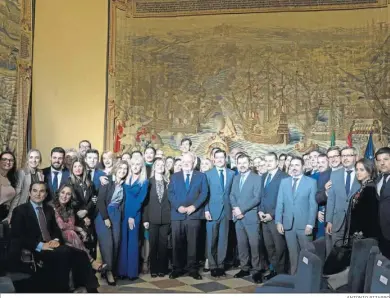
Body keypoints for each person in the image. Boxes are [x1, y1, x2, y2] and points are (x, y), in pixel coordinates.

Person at [10, 182, 99, 293]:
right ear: (29, 193)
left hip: (52, 246)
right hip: (36, 248)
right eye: (35, 191)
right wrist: (41, 245)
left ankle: (91, 290)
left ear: (46, 194)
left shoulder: (48, 209)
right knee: (65, 252)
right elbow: (17, 236)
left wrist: (56, 240)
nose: (38, 194)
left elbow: (56, 230)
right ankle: (63, 291)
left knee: (81, 254)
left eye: (42, 191)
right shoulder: (20, 210)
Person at [168, 152, 208, 280]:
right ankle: (177, 268)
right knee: (177, 243)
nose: (186, 163)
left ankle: (193, 269)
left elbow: (204, 193)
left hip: (193, 215)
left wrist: (194, 207)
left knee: (193, 243)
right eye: (184, 161)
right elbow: (170, 193)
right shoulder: (174, 176)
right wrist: (178, 207)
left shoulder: (201, 176)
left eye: (189, 161)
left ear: (194, 163)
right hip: (177, 214)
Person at [275, 156, 317, 274]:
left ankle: (307, 279)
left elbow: (313, 205)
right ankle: (295, 280)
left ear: (303, 167)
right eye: (292, 165)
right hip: (288, 225)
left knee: (307, 255)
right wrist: (278, 221)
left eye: (297, 165)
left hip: (304, 225)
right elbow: (280, 202)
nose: (294, 168)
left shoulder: (311, 182)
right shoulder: (284, 182)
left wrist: (310, 224)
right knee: (293, 256)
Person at [53, 184, 106, 271]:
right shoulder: (53, 206)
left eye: (68, 194)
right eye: (62, 192)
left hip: (67, 235)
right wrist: (79, 229)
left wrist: (78, 228)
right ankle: (91, 261)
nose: (64, 196)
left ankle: (84, 272)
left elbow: (71, 223)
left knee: (74, 238)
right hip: (55, 234)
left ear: (71, 196)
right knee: (71, 233)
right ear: (58, 193)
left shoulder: (69, 207)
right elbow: (61, 225)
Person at [230, 154, 264, 283]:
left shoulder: (256, 178)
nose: (242, 165)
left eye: (245, 162)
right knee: (242, 244)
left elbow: (257, 198)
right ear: (237, 164)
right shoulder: (236, 177)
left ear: (249, 163)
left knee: (254, 244)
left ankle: (257, 270)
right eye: (240, 163)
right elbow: (232, 195)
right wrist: (235, 208)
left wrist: (241, 209)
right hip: (238, 218)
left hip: (250, 216)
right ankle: (244, 267)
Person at [95, 160, 129, 286]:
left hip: (117, 214)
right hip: (104, 214)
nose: (123, 170)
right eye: (120, 168)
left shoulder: (124, 184)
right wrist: (105, 218)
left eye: (125, 169)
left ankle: (108, 269)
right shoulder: (107, 180)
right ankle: (109, 272)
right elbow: (100, 201)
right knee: (107, 244)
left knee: (116, 243)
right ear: (115, 168)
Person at [118, 155, 148, 280]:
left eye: (138, 165)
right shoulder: (125, 178)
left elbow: (140, 200)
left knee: (133, 242)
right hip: (123, 214)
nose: (135, 167)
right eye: (133, 165)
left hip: (134, 215)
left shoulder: (144, 182)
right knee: (123, 241)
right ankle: (121, 271)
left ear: (141, 167)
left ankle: (131, 272)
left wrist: (131, 216)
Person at [258, 152, 288, 279]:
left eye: (271, 160)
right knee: (269, 247)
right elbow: (262, 196)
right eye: (267, 160)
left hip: (276, 218)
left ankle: (281, 274)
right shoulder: (264, 176)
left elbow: (284, 200)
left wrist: (272, 214)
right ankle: (274, 270)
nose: (268, 163)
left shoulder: (284, 177)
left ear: (277, 162)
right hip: (264, 218)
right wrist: (260, 211)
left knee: (279, 247)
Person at [204, 149, 234, 277]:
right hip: (212, 210)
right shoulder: (207, 174)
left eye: (222, 157)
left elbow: (234, 193)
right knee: (211, 239)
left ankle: (220, 265)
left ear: (225, 159)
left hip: (226, 211)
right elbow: (205, 194)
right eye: (218, 157)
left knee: (223, 239)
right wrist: (206, 210)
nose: (220, 159)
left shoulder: (232, 174)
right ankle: (212, 265)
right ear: (214, 159)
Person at [325, 146, 360, 254]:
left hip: (355, 221)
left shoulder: (362, 173)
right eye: (343, 155)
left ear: (355, 157)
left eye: (349, 155)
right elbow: (331, 199)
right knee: (336, 252)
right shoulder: (335, 174)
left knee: (353, 253)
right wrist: (329, 221)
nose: (345, 158)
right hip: (337, 221)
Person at [143, 158, 171, 278]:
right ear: (154, 167)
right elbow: (145, 202)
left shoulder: (168, 182)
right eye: (157, 164)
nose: (160, 166)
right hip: (152, 218)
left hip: (166, 218)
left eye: (162, 165)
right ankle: (153, 269)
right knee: (153, 245)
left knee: (163, 245)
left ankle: (162, 269)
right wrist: (145, 219)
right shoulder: (148, 182)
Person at [67, 159, 97, 258]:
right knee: (78, 249)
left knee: (90, 246)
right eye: (75, 166)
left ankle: (91, 271)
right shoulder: (69, 182)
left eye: (80, 166)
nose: (77, 169)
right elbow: (70, 202)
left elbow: (94, 200)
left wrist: (86, 211)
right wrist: (83, 217)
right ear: (72, 169)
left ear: (84, 168)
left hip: (89, 217)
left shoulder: (90, 183)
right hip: (76, 219)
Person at [345, 158, 380, 240]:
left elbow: (370, 214)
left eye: (361, 170)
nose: (358, 172)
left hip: (363, 233)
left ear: (369, 171)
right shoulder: (363, 186)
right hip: (357, 231)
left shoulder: (370, 188)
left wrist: (360, 231)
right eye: (356, 169)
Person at [6, 149, 44, 223]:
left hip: (36, 208)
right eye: (31, 157)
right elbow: (17, 194)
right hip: (23, 207)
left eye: (37, 157)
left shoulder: (40, 173)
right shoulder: (21, 172)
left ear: (40, 160)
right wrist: (11, 214)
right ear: (27, 159)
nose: (34, 160)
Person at [375, 147, 390, 258]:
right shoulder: (378, 179)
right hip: (381, 229)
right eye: (379, 160)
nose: (382, 163)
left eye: (385, 159)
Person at [314, 154, 331, 239]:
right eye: (318, 162)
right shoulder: (313, 177)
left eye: (323, 162)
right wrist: (315, 211)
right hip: (316, 216)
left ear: (328, 162)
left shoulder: (333, 175)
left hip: (328, 216)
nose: (320, 164)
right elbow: (309, 198)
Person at [0, 151, 17, 221]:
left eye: (11, 160)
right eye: (4, 159)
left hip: (6, 215)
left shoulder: (11, 178)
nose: (8, 162)